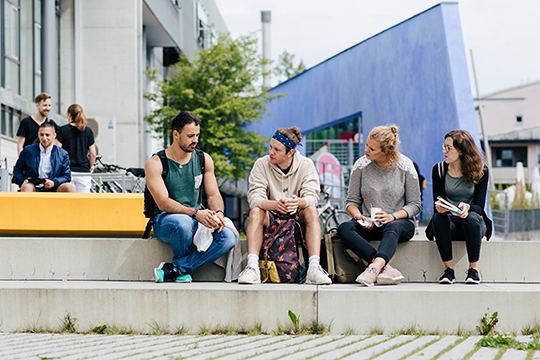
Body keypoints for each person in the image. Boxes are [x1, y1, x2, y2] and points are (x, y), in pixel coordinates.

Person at [146, 111, 236, 283]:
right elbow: (163, 203)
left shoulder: (204, 159)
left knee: (228, 237)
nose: (195, 140)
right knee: (183, 223)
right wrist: (195, 214)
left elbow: (214, 194)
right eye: (190, 136)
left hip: (196, 218)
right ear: (176, 134)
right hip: (166, 221)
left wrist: (219, 214)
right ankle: (180, 268)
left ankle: (177, 268)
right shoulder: (156, 163)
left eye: (197, 135)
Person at [238, 126, 332, 285]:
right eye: (270, 147)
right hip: (271, 215)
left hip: (297, 216)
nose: (271, 152)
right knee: (255, 211)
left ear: (290, 153)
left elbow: (312, 197)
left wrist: (298, 202)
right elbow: (254, 197)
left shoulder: (306, 165)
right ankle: (252, 268)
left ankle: (314, 268)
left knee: (311, 211)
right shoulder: (261, 164)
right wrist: (275, 205)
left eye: (277, 149)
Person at [338, 125, 421, 287]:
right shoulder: (361, 165)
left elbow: (415, 205)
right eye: (366, 145)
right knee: (344, 228)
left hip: (400, 223)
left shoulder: (405, 166)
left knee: (393, 227)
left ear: (386, 151)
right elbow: (351, 202)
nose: (366, 150)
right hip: (370, 223)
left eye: (372, 149)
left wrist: (392, 216)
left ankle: (374, 267)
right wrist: (358, 216)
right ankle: (385, 267)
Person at [426, 130, 492, 285]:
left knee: (471, 218)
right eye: (444, 146)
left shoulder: (481, 170)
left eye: (449, 148)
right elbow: (438, 200)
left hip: (473, 225)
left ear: (461, 151)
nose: (444, 151)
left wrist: (468, 207)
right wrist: (440, 207)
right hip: (450, 225)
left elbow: (479, 206)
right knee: (438, 218)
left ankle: (473, 270)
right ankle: (449, 270)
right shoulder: (439, 170)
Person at [13, 122, 76, 192]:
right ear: (38, 135)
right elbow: (17, 169)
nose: (44, 138)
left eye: (47, 135)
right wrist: (23, 181)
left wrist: (54, 182)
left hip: (54, 187)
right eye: (41, 135)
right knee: (27, 186)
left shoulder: (63, 154)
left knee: (70, 187)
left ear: (54, 135)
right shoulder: (28, 151)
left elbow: (66, 176)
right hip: (33, 186)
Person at [57, 104, 96, 193]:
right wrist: (89, 167)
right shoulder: (88, 131)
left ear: (69, 115)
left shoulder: (62, 130)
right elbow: (93, 154)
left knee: (68, 201)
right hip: (83, 173)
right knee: (83, 201)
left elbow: (57, 152)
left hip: (67, 171)